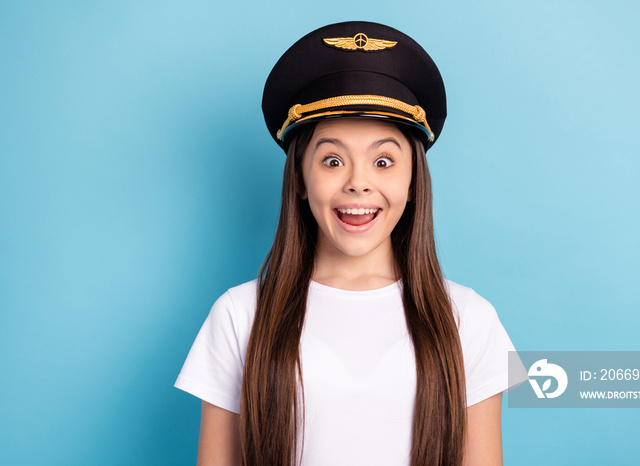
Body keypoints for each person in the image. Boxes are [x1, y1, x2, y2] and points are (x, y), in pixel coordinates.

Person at [175, 21, 528, 466]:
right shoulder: (239, 315)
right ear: (301, 180)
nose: (359, 183)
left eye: (383, 161)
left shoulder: (470, 320)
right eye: (332, 160)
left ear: (414, 181)